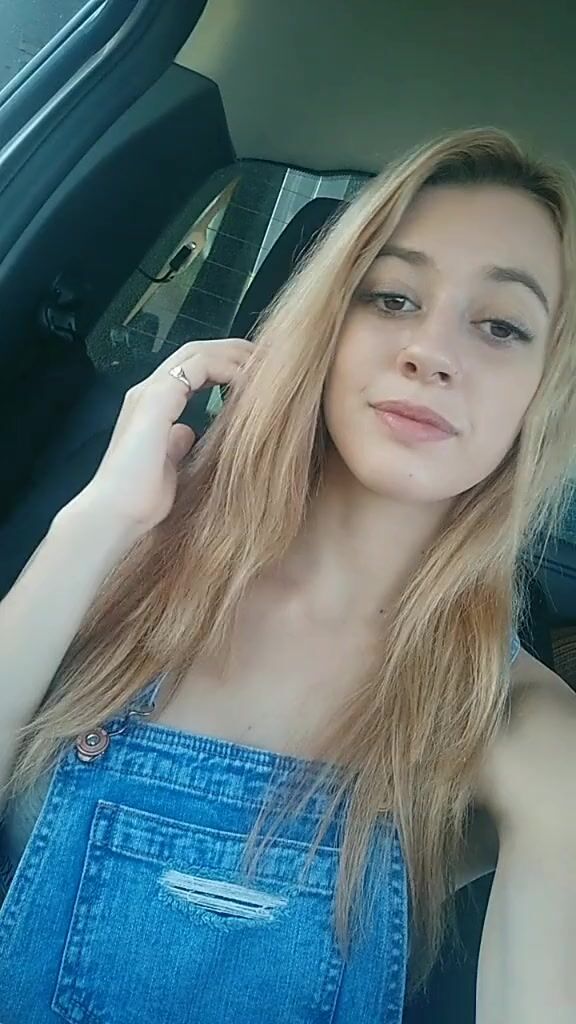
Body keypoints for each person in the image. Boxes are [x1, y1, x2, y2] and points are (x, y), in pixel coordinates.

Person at [0, 126, 575, 1024]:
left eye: (501, 325)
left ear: (547, 390)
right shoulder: (123, 567)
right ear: (325, 328)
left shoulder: (514, 724)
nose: (430, 351)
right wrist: (100, 518)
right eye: (391, 297)